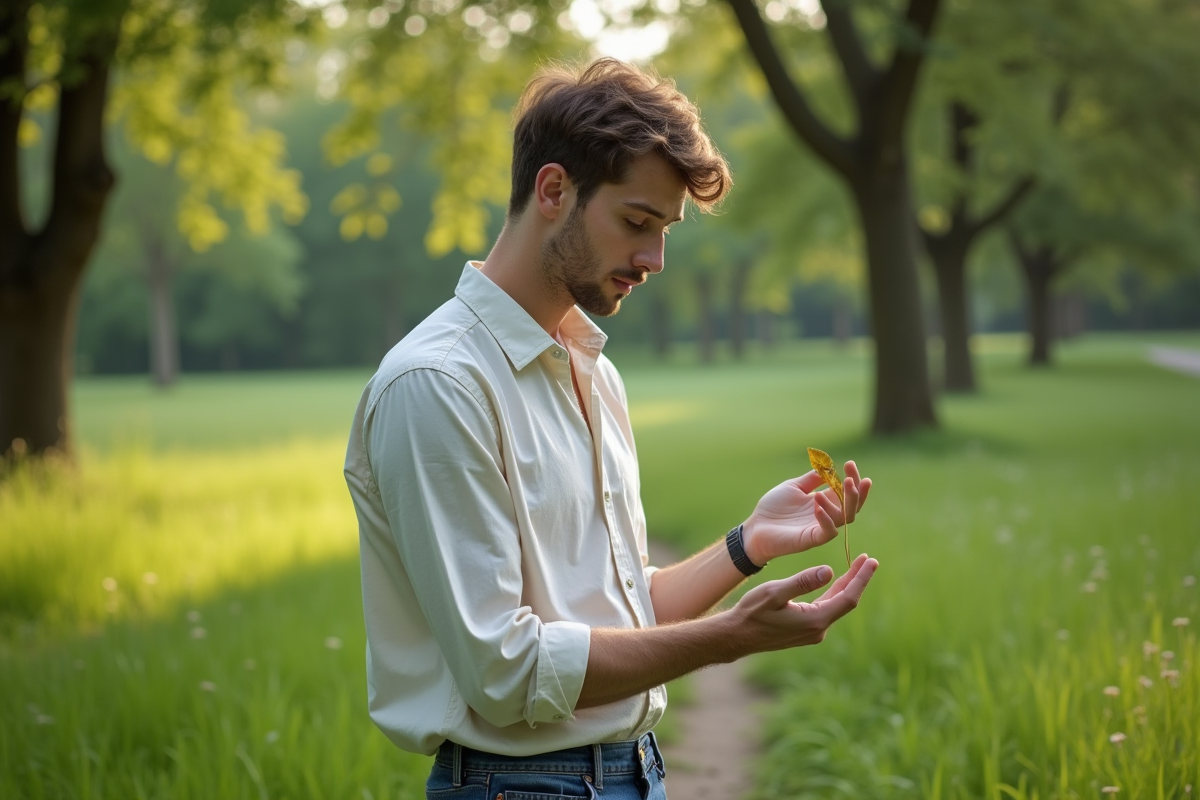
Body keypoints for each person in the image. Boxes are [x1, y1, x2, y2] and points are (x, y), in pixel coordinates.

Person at [344, 57, 877, 800]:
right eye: (636, 222)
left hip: (636, 773)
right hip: (519, 787)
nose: (654, 259)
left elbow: (620, 614)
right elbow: (507, 672)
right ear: (555, 190)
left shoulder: (592, 367)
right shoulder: (438, 384)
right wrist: (727, 640)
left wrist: (746, 544)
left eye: (665, 231)